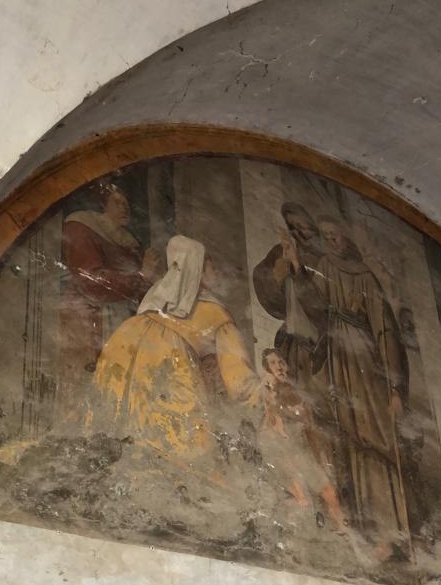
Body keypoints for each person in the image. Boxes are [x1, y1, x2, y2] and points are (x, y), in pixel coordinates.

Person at [89, 235, 261, 465]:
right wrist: (263, 400)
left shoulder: (145, 314)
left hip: (122, 416)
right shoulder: (214, 313)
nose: (217, 272)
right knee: (193, 459)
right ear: (198, 269)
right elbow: (239, 380)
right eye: (211, 266)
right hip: (174, 400)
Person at [313, 216, 410, 552]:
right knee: (346, 436)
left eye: (335, 235)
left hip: (364, 360)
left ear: (347, 238)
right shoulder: (323, 267)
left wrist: (394, 389)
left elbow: (385, 331)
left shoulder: (366, 277)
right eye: (325, 236)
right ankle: (359, 529)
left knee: (375, 436)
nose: (331, 241)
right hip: (337, 359)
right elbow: (310, 307)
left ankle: (389, 530)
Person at [59, 181, 161, 418]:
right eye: (117, 202)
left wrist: (152, 277)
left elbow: (139, 287)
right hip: (90, 320)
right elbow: (90, 282)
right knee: (92, 391)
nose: (124, 208)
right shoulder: (82, 227)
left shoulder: (129, 242)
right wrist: (142, 275)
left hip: (121, 321)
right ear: (102, 205)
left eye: (126, 203)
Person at [259, 348, 346, 530]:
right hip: (287, 454)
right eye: (273, 363)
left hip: (304, 451)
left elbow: (310, 427)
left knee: (329, 493)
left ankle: (341, 530)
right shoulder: (270, 391)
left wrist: (320, 455)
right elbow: (274, 426)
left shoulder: (295, 391)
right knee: (301, 499)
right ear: (267, 369)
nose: (279, 366)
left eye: (281, 362)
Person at [252, 203, 327, 386]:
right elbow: (263, 278)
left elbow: (318, 305)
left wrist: (295, 264)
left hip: (319, 337)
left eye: (301, 226)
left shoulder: (323, 261)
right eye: (292, 227)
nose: (298, 232)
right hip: (296, 336)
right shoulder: (283, 251)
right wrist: (281, 269)